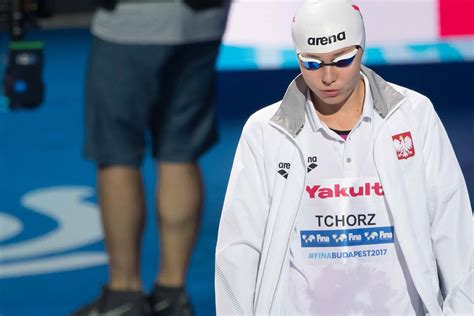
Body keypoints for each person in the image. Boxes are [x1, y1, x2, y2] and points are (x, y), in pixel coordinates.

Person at [215, 0, 473, 315]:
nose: (327, 77)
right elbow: (238, 249)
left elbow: (454, 230)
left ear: (361, 49)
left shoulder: (413, 116)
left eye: (342, 60)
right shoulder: (266, 132)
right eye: (312, 63)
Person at [74, 1, 229, 315]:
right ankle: (171, 295)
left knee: (117, 154)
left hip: (131, 20)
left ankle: (124, 294)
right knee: (180, 154)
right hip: (204, 20)